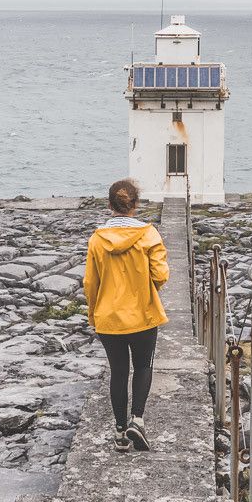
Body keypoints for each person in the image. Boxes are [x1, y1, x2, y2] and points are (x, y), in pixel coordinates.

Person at [83, 178, 169, 452]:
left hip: (108, 316)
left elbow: (90, 283)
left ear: (109, 205)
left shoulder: (97, 240)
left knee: (118, 372)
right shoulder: (149, 235)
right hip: (142, 314)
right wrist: (145, 288)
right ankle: (138, 420)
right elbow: (161, 274)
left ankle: (120, 432)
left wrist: (93, 314)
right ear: (136, 205)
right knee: (143, 367)